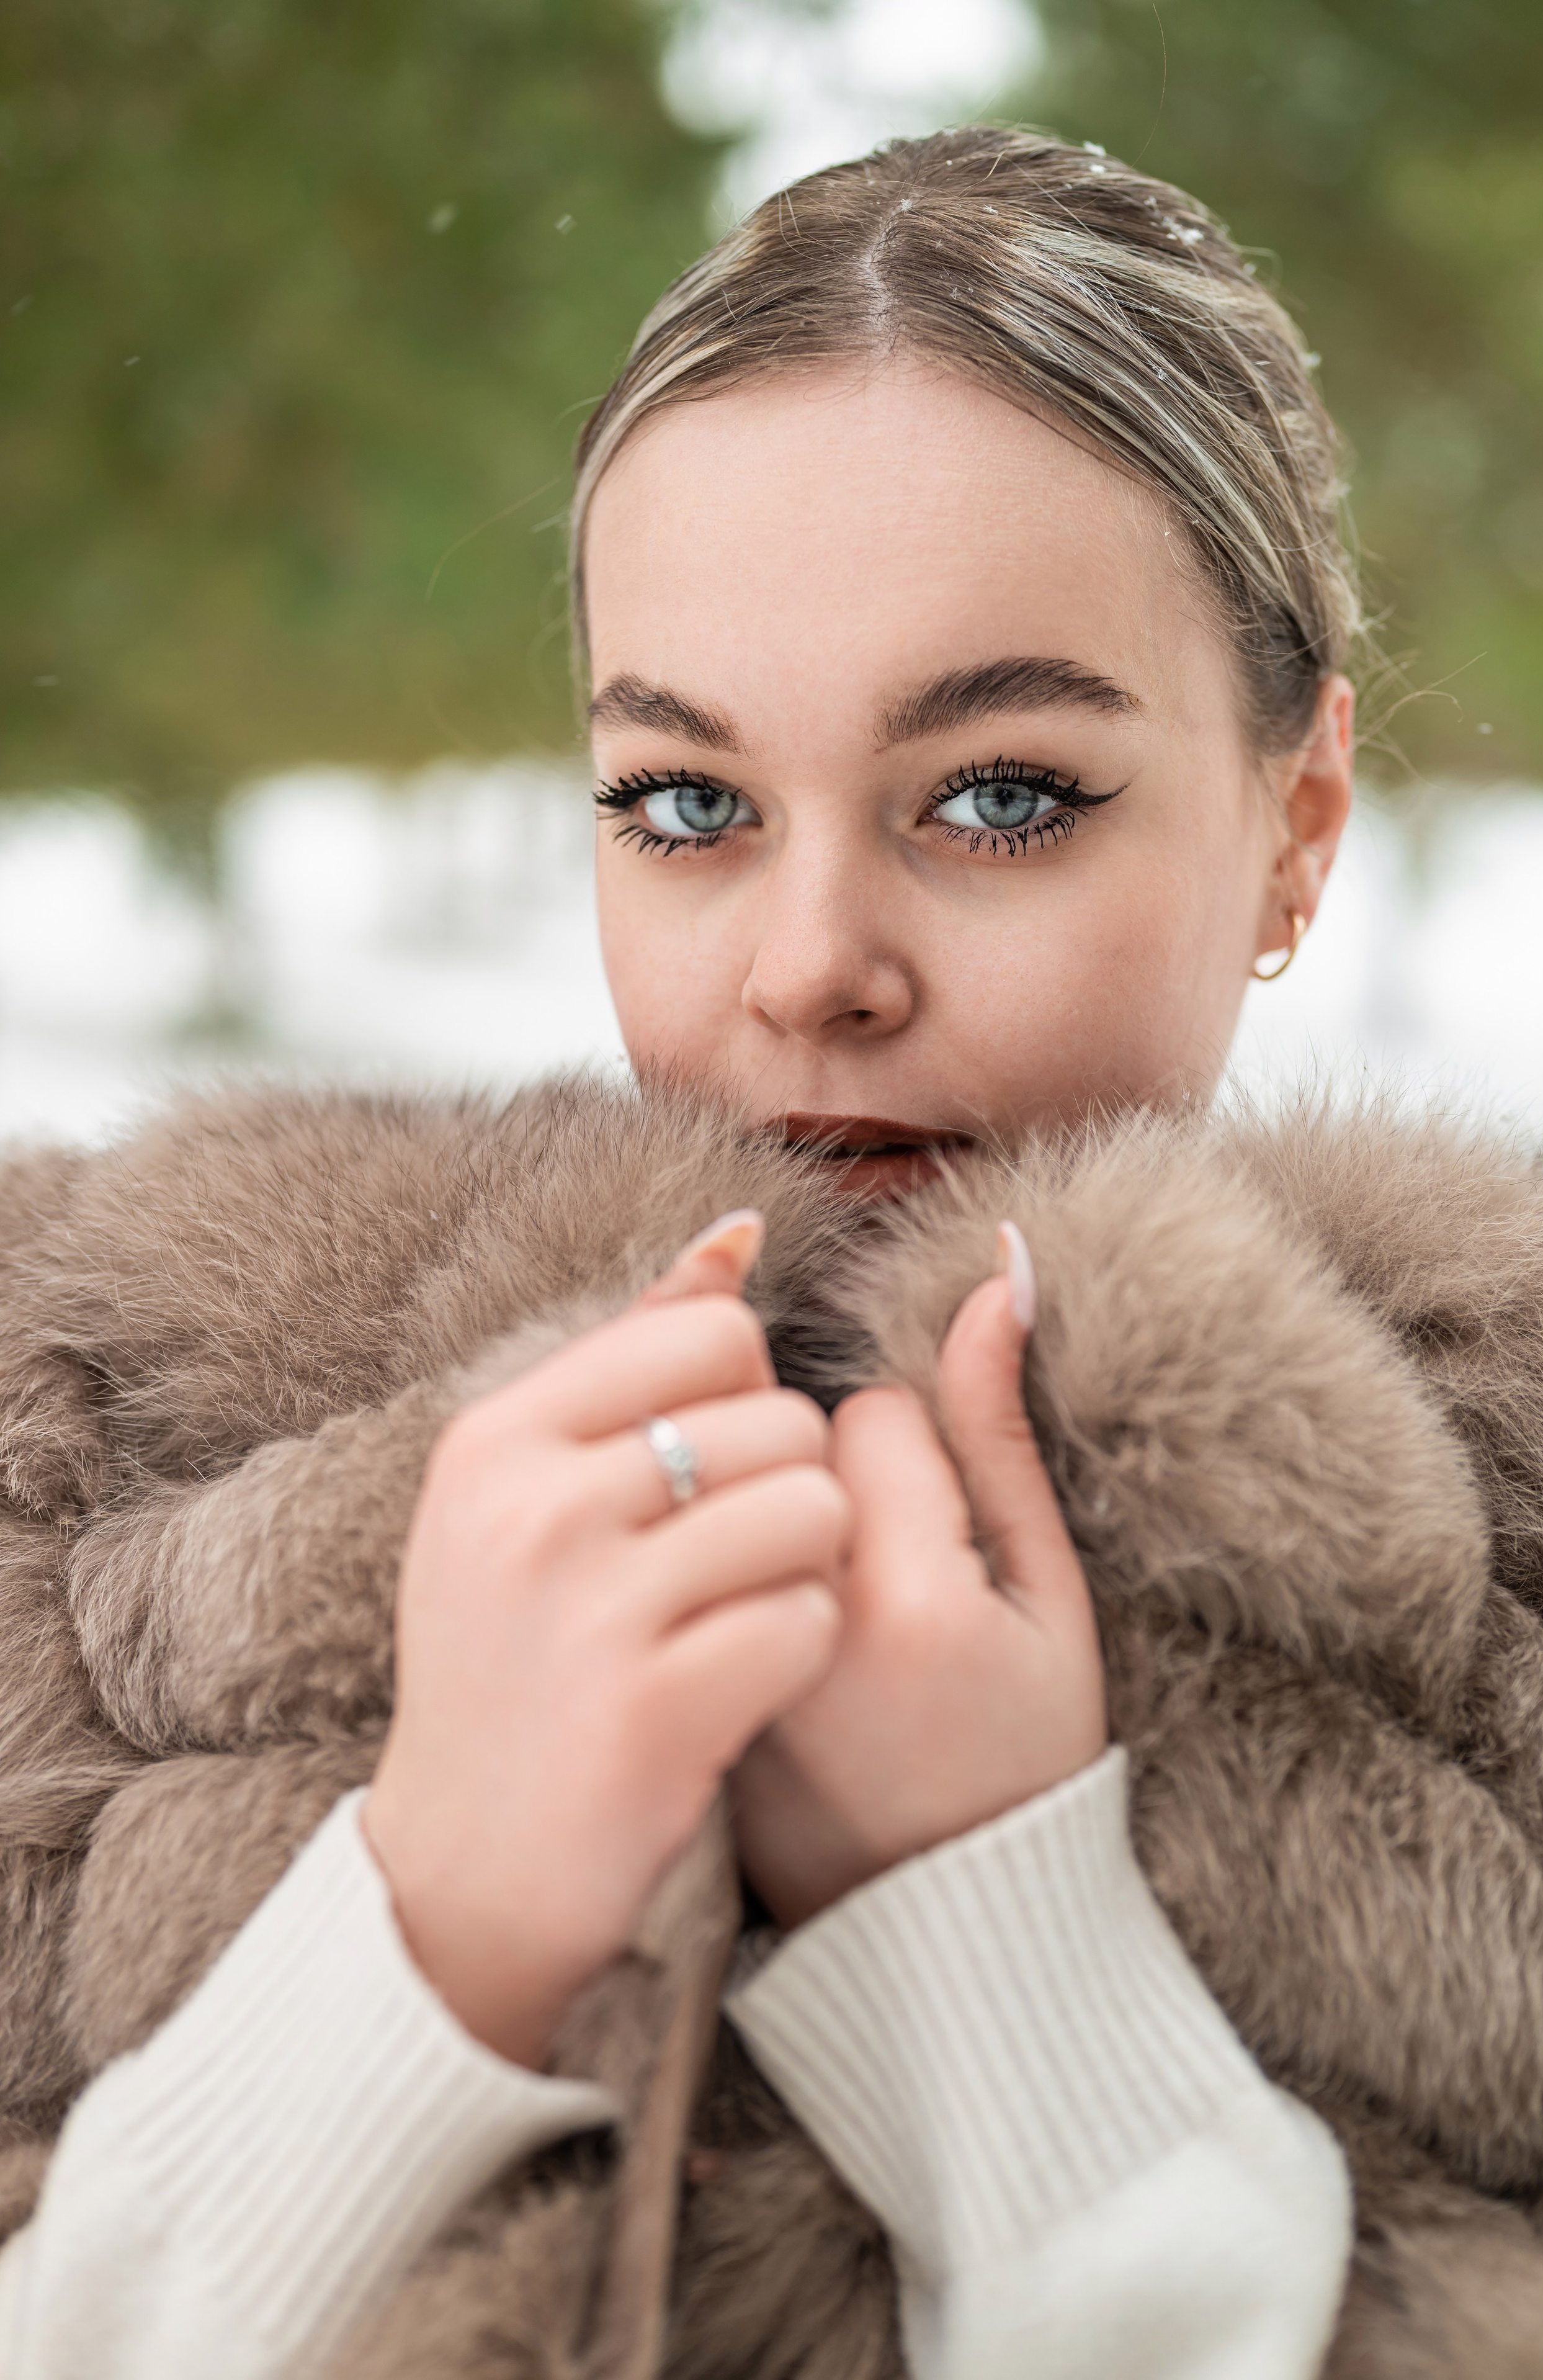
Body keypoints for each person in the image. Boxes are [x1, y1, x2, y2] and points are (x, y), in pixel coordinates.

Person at [0, 128, 1361, 2376]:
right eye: (690, 805)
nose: (811, 964)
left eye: (1000, 793)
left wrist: (1009, 1987)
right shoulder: (89, 1508)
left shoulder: (1538, 1610)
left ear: (1294, 829)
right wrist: (428, 1925)